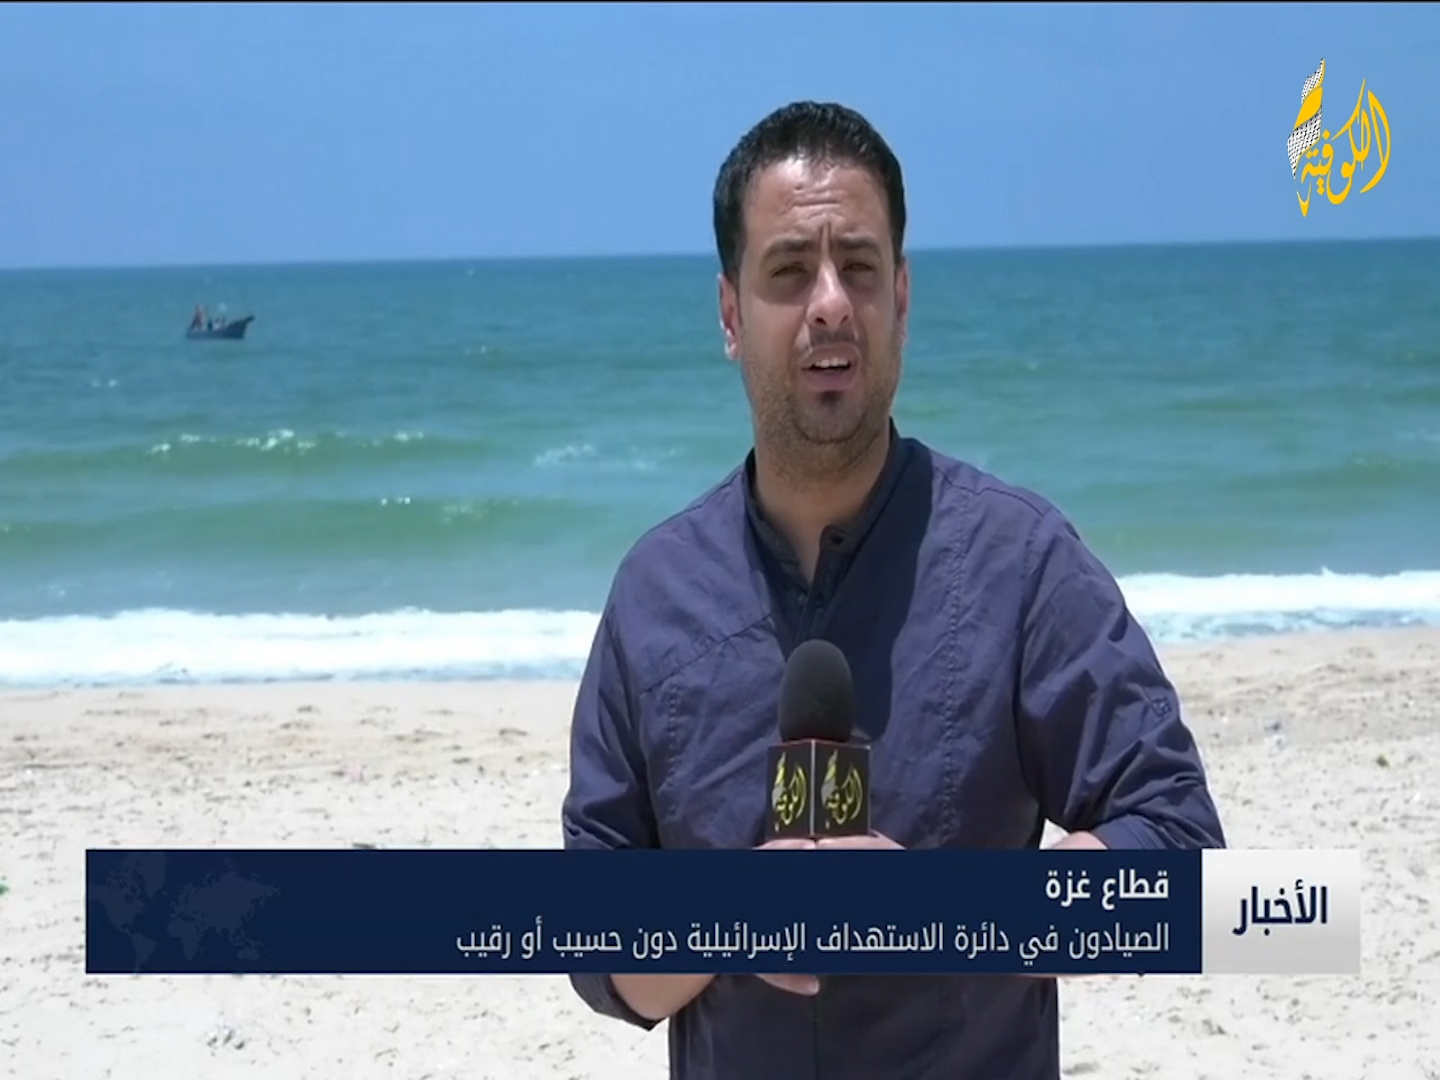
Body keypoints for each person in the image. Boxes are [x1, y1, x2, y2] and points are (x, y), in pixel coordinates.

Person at [560, 100, 1226, 1079]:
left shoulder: (1022, 563)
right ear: (732, 315)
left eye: (860, 268)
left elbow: (1179, 853)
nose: (831, 303)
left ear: (901, 299)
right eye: (791, 270)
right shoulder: (656, 595)